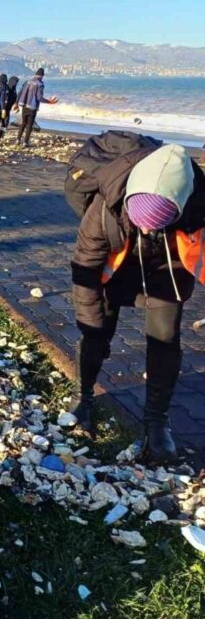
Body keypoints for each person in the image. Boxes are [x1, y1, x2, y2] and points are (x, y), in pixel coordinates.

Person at [69, 144, 205, 465]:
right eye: (140, 221)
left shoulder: (198, 204)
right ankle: (82, 397)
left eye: (155, 223)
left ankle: (156, 422)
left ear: (181, 207)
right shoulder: (104, 207)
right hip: (115, 269)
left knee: (165, 340)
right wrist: (91, 322)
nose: (146, 229)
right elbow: (85, 269)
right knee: (95, 333)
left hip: (165, 271)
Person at [17, 68, 58, 146]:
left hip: (24, 105)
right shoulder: (40, 84)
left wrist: (16, 103)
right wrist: (49, 102)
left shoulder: (27, 82)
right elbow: (39, 98)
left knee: (23, 123)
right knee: (29, 124)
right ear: (42, 76)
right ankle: (25, 142)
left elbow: (20, 92)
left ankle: (18, 140)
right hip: (32, 107)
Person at [0, 76, 19, 141]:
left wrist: (16, 106)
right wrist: (2, 108)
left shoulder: (14, 90)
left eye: (17, 82)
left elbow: (15, 99)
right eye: (15, 82)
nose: (16, 84)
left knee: (5, 124)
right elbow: (1, 99)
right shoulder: (6, 88)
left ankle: (0, 137)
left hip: (7, 110)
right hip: (0, 109)